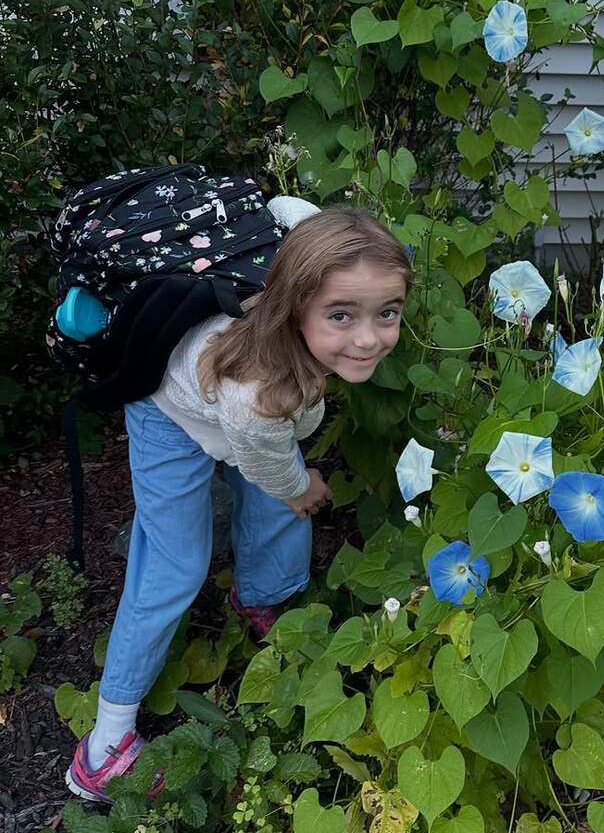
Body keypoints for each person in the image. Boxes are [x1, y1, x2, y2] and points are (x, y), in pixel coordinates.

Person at [65, 205, 413, 803]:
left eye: (388, 313)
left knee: (280, 497)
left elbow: (286, 210)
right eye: (341, 315)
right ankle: (105, 746)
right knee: (175, 561)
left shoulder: (297, 284)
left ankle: (262, 596)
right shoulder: (259, 392)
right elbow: (270, 460)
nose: (368, 337)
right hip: (167, 409)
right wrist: (302, 487)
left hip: (235, 404)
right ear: (293, 303)